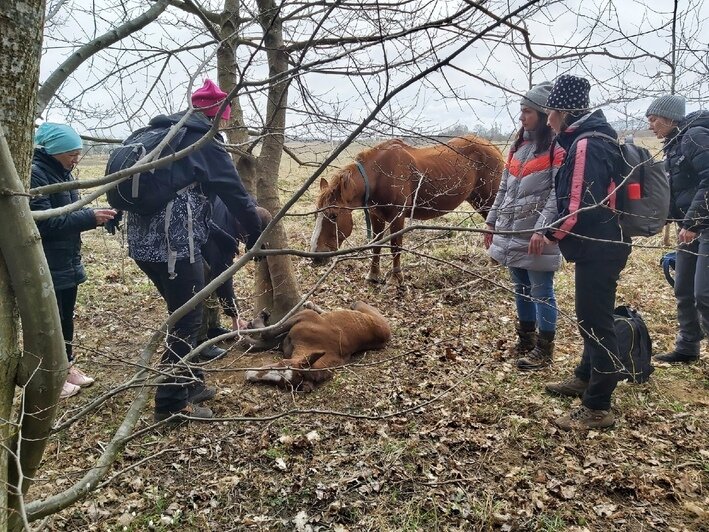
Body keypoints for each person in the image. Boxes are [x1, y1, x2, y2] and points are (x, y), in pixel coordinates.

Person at [126, 79, 263, 422]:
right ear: (219, 115)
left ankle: (191, 383)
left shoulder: (157, 133)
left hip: (144, 246)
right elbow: (237, 196)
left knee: (185, 312)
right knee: (187, 321)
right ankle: (172, 405)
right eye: (225, 117)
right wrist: (256, 234)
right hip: (175, 247)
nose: (226, 123)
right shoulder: (203, 141)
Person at [541, 75, 631, 431]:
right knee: (592, 316)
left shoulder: (586, 145)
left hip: (600, 246)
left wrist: (551, 233)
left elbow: (580, 205)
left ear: (564, 112)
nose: (548, 119)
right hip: (601, 243)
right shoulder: (592, 138)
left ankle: (598, 406)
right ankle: (584, 376)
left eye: (550, 112)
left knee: (595, 322)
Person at [30, 123, 117, 399]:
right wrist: (89, 218)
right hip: (46, 263)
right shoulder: (36, 175)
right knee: (48, 323)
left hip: (66, 260)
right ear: (55, 150)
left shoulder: (60, 172)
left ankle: (66, 367)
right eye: (71, 153)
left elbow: (68, 213)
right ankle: (50, 377)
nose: (75, 159)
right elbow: (43, 223)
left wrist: (93, 216)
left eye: (78, 153)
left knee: (65, 318)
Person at [485, 82, 563, 370]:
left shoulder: (556, 148)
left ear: (543, 115)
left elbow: (558, 194)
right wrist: (492, 222)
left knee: (541, 290)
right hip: (510, 231)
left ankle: (545, 350)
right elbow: (504, 190)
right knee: (520, 288)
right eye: (521, 111)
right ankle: (526, 340)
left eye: (527, 111)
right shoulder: (519, 147)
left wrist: (543, 230)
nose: (521, 117)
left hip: (535, 235)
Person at [646, 95, 709, 364]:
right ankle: (687, 347)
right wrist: (663, 219)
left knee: (703, 292)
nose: (651, 126)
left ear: (670, 118)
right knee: (682, 287)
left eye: (654, 120)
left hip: (703, 226)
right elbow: (680, 189)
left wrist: (694, 223)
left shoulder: (694, 136)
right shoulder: (674, 144)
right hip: (689, 228)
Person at [198, 197, 272, 344]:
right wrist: (235, 317)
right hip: (183, 244)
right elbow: (222, 279)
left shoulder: (246, 204)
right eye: (247, 237)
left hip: (203, 217)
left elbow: (256, 220)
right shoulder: (224, 239)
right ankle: (200, 338)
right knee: (203, 283)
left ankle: (213, 327)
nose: (246, 241)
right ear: (242, 227)